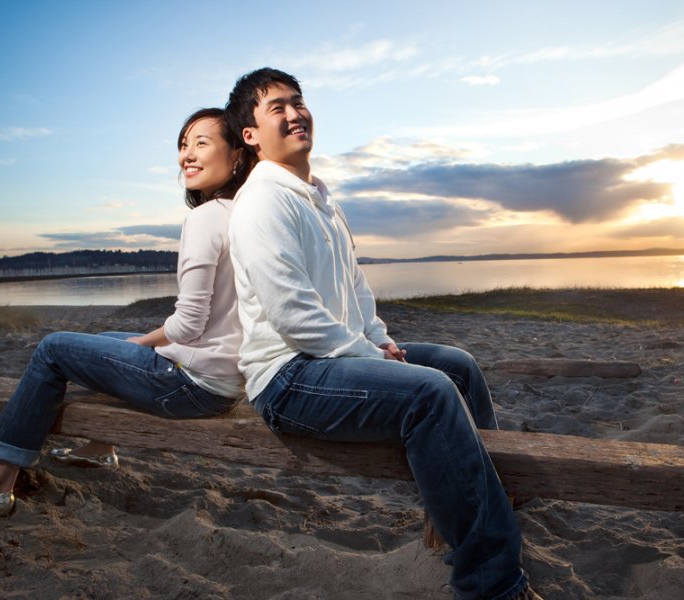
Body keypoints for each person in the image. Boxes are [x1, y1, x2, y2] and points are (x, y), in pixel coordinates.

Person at [224, 68, 541, 600]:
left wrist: (379, 339)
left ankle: (490, 501)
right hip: (288, 377)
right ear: (251, 135)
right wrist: (369, 356)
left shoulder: (319, 197)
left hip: (333, 357)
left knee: (457, 365)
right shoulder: (262, 201)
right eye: (277, 108)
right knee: (430, 393)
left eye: (298, 102)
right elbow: (292, 316)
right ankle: (492, 583)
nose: (295, 114)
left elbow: (355, 286)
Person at [0, 107, 250, 517]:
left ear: (236, 154)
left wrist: (144, 341)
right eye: (183, 145)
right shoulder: (246, 215)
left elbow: (188, 324)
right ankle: (100, 447)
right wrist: (139, 343)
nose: (186, 155)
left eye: (201, 144)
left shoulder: (205, 218)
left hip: (190, 386)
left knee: (54, 348)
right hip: (223, 383)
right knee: (101, 342)